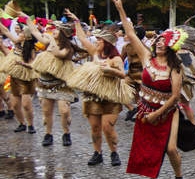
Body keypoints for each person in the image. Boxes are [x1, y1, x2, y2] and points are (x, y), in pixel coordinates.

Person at [113, 0, 187, 179]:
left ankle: (178, 177)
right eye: (158, 40)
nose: (160, 42)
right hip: (146, 108)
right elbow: (130, 33)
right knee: (148, 147)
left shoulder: (175, 67)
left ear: (171, 46)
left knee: (170, 148)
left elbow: (175, 96)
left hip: (168, 111)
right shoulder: (146, 57)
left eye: (164, 41)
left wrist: (158, 113)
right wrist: (121, 9)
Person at [66, 10, 134, 167]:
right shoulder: (94, 53)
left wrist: (110, 70)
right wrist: (77, 20)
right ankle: (97, 153)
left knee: (107, 127)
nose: (96, 42)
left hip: (110, 98)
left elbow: (123, 75)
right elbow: (82, 38)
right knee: (95, 128)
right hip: (92, 96)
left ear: (107, 43)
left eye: (99, 40)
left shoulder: (115, 58)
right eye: (96, 39)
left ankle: (114, 152)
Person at [28, 18, 78, 146]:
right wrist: (25, 18)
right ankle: (48, 134)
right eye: (54, 29)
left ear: (63, 33)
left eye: (57, 30)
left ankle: (66, 133)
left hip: (61, 84)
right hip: (46, 82)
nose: (54, 31)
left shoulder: (67, 48)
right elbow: (34, 31)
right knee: (46, 110)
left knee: (64, 111)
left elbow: (59, 54)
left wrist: (51, 40)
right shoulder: (48, 41)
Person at [0, 14, 38, 133]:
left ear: (26, 36)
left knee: (26, 104)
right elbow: (5, 30)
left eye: (21, 33)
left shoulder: (30, 49)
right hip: (15, 78)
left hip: (26, 79)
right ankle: (22, 123)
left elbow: (33, 65)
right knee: (15, 104)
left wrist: (22, 64)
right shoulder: (15, 43)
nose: (18, 34)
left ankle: (31, 125)